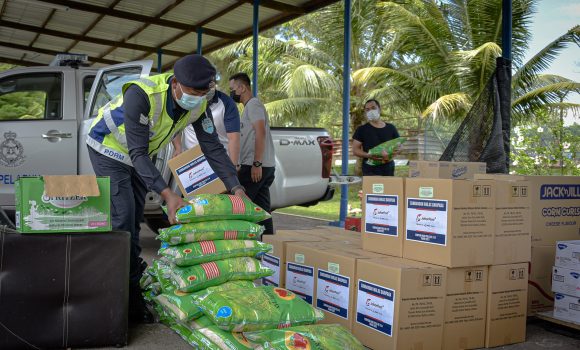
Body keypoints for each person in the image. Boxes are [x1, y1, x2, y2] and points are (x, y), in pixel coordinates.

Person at [86, 54, 246, 323]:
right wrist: (168, 194)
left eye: (205, 91)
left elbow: (212, 147)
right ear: (176, 84)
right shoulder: (143, 94)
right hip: (109, 150)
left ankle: (131, 290)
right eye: (194, 91)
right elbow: (137, 152)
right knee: (123, 219)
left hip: (138, 156)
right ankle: (117, 299)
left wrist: (236, 187)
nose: (199, 96)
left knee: (134, 222)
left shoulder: (199, 102)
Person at [228, 72, 276, 235]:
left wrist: (257, 163)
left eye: (232, 89)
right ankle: (270, 246)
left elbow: (260, 132)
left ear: (242, 88)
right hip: (264, 166)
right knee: (262, 210)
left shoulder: (253, 104)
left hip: (254, 166)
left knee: (240, 205)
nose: (231, 93)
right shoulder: (249, 108)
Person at [171, 89, 240, 167]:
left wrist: (233, 165)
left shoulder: (227, 103)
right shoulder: (187, 99)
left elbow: (233, 138)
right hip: (192, 161)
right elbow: (175, 124)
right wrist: (178, 147)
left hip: (220, 161)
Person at [352, 99, 400, 176]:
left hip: (388, 167)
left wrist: (396, 151)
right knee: (372, 188)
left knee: (389, 188)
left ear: (379, 109)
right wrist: (369, 155)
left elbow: (399, 145)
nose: (370, 111)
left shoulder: (391, 128)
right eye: (367, 110)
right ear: (365, 113)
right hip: (370, 169)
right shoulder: (361, 129)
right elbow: (355, 150)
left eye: (373, 108)